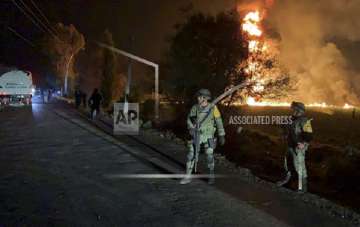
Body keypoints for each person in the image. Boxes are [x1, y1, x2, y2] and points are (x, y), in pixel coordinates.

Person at [180, 89, 225, 185]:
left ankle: (211, 176)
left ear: (205, 98)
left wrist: (221, 134)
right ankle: (188, 176)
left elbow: (219, 121)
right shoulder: (195, 108)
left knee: (209, 155)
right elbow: (189, 119)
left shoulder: (213, 108)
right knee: (191, 155)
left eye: (200, 97)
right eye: (198, 96)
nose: (198, 98)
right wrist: (191, 129)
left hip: (209, 135)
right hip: (197, 134)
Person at [283, 101, 313, 193]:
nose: (293, 111)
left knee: (300, 168)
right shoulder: (292, 119)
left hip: (298, 148)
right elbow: (287, 129)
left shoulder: (305, 121)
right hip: (290, 146)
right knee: (288, 166)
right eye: (293, 109)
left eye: (295, 109)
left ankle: (302, 188)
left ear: (300, 110)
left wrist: (303, 143)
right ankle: (289, 183)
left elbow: (309, 135)